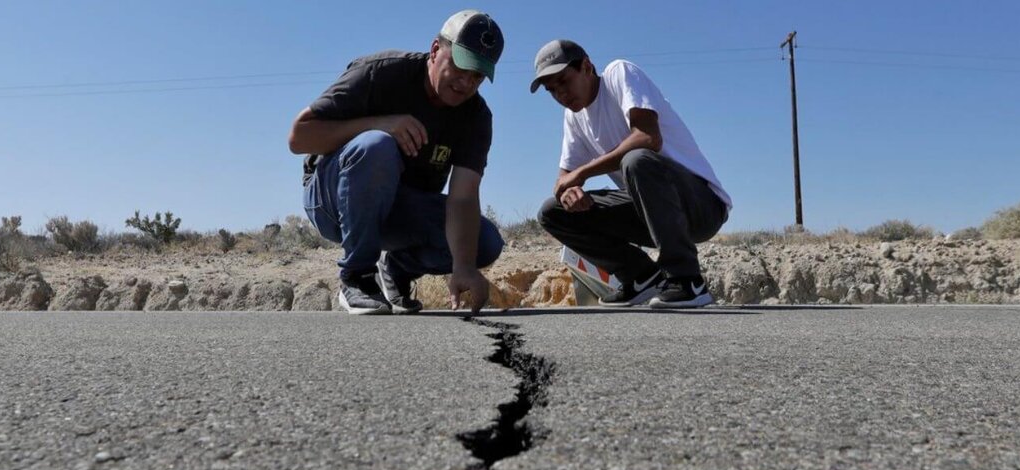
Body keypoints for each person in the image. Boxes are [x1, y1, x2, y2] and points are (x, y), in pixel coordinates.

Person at [288, 10, 505, 315]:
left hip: (399, 210)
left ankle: (397, 270)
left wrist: (464, 266)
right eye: (460, 66)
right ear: (435, 50)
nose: (466, 82)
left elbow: (464, 197)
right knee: (377, 146)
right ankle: (358, 276)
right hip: (331, 200)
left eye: (477, 76)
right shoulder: (382, 72)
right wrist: (379, 123)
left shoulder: (476, 117)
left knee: (485, 242)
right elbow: (299, 137)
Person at [531, 40, 731, 308]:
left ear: (587, 67)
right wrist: (570, 192)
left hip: (701, 208)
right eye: (551, 90)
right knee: (552, 212)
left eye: (564, 82)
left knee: (636, 160)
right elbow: (564, 179)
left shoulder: (619, 74)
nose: (560, 95)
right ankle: (641, 277)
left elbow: (648, 138)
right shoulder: (574, 117)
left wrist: (582, 173)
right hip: (653, 213)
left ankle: (687, 280)